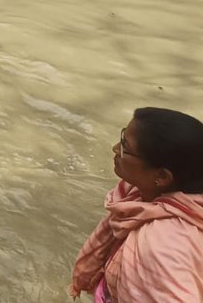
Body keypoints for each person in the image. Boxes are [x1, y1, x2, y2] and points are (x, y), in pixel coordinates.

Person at [70, 107, 203, 302]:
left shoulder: (162, 244)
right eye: (122, 137)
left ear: (162, 176)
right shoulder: (143, 197)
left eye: (125, 146)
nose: (115, 149)